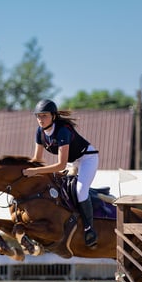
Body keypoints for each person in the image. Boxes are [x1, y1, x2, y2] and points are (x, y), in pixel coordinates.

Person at [21, 98, 99, 248]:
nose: (40, 119)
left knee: (80, 191)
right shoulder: (40, 132)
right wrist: (20, 170)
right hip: (72, 161)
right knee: (59, 188)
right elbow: (37, 159)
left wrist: (35, 171)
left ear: (53, 116)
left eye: (44, 116)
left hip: (87, 158)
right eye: (38, 116)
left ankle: (89, 229)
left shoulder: (62, 130)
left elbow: (60, 165)